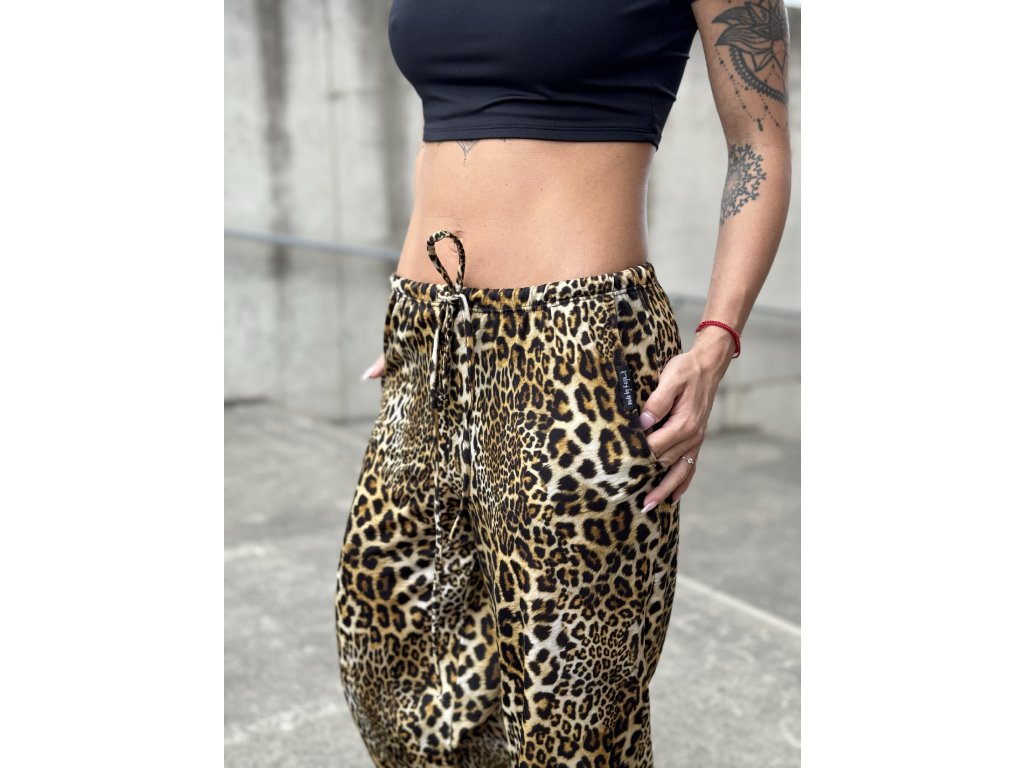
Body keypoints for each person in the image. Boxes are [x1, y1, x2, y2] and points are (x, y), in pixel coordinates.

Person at [336, 0, 791, 765]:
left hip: (579, 349)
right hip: (432, 338)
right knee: (398, 670)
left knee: (572, 710)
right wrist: (420, 322)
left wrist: (716, 341)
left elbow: (760, 146)